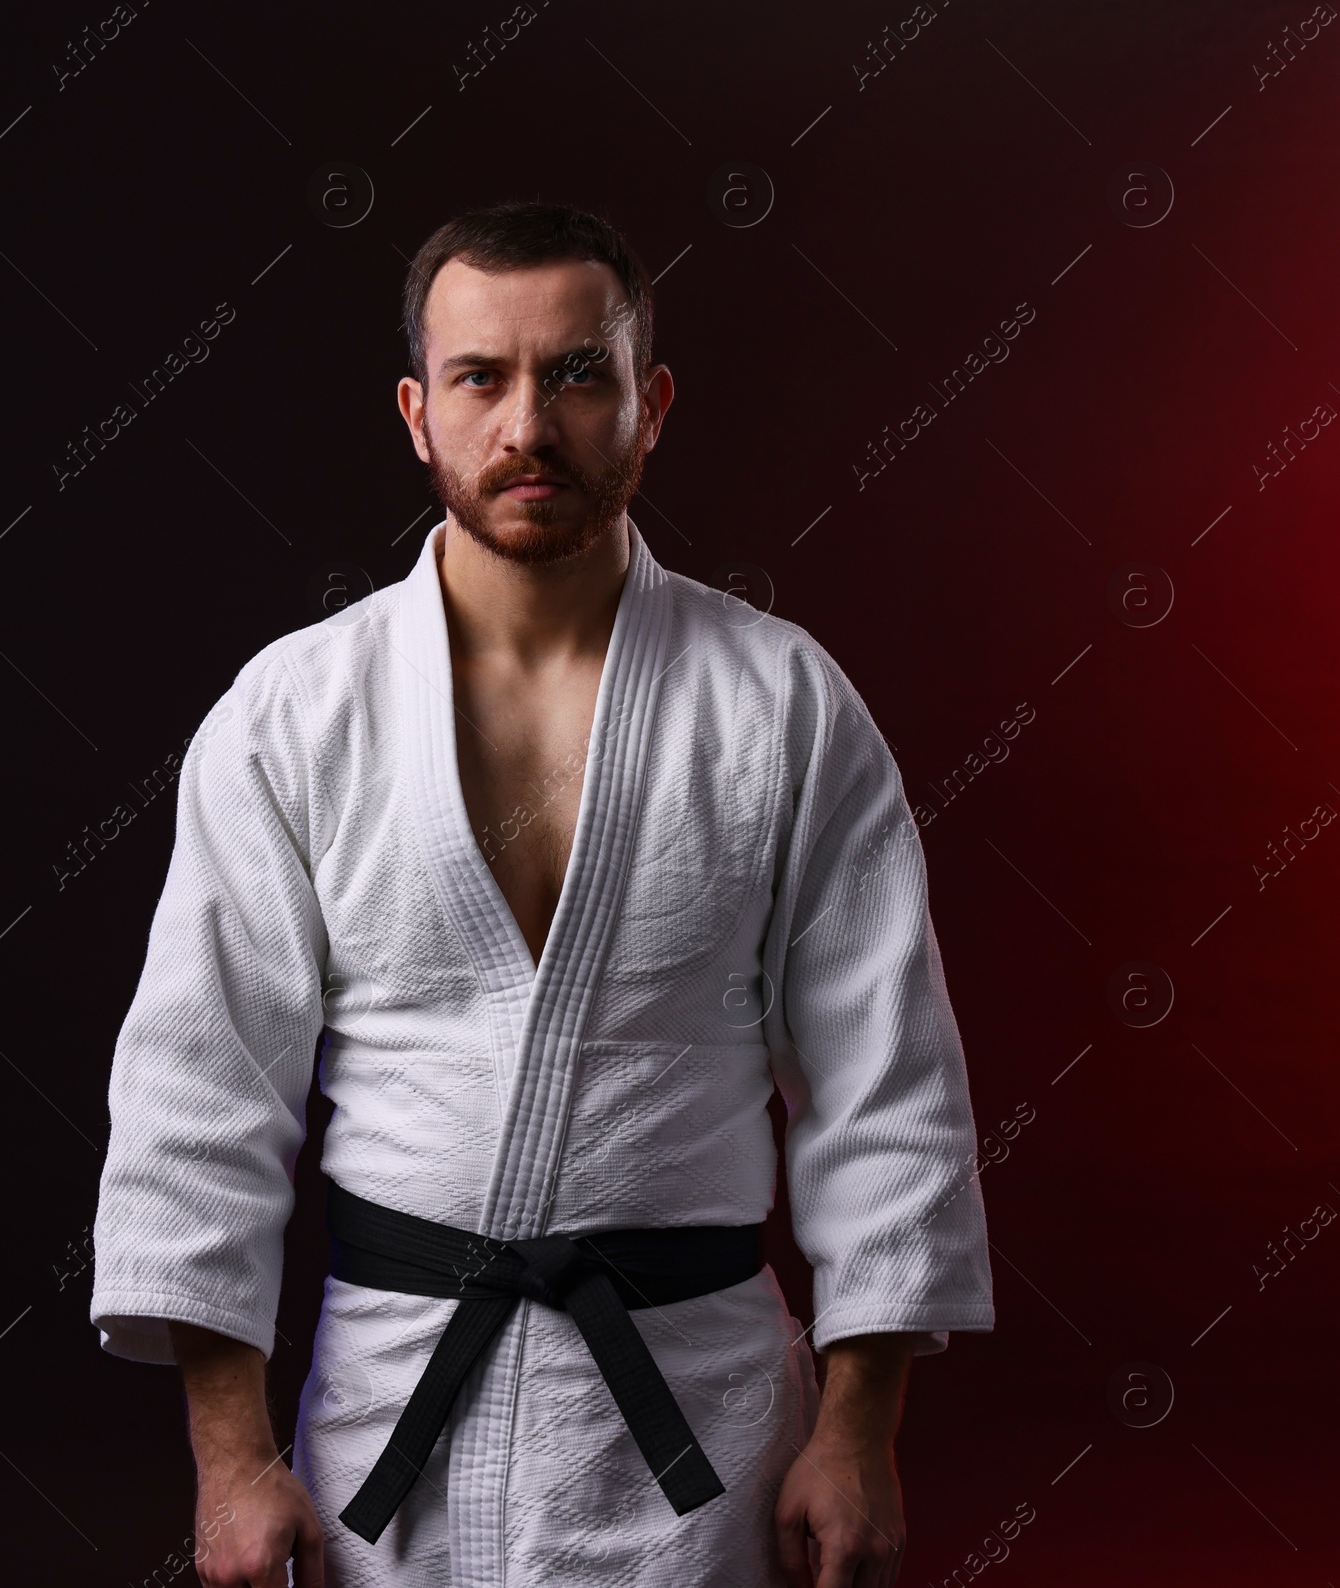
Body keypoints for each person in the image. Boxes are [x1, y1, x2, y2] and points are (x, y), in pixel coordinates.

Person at [90, 200, 994, 1587]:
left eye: (580, 373)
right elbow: (199, 1101)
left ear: (652, 404)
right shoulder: (294, 715)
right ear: (416, 411)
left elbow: (889, 1090)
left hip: (706, 1437)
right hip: (385, 1437)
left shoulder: (781, 703)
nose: (530, 425)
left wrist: (859, 1435)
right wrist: (229, 1463)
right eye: (482, 378)